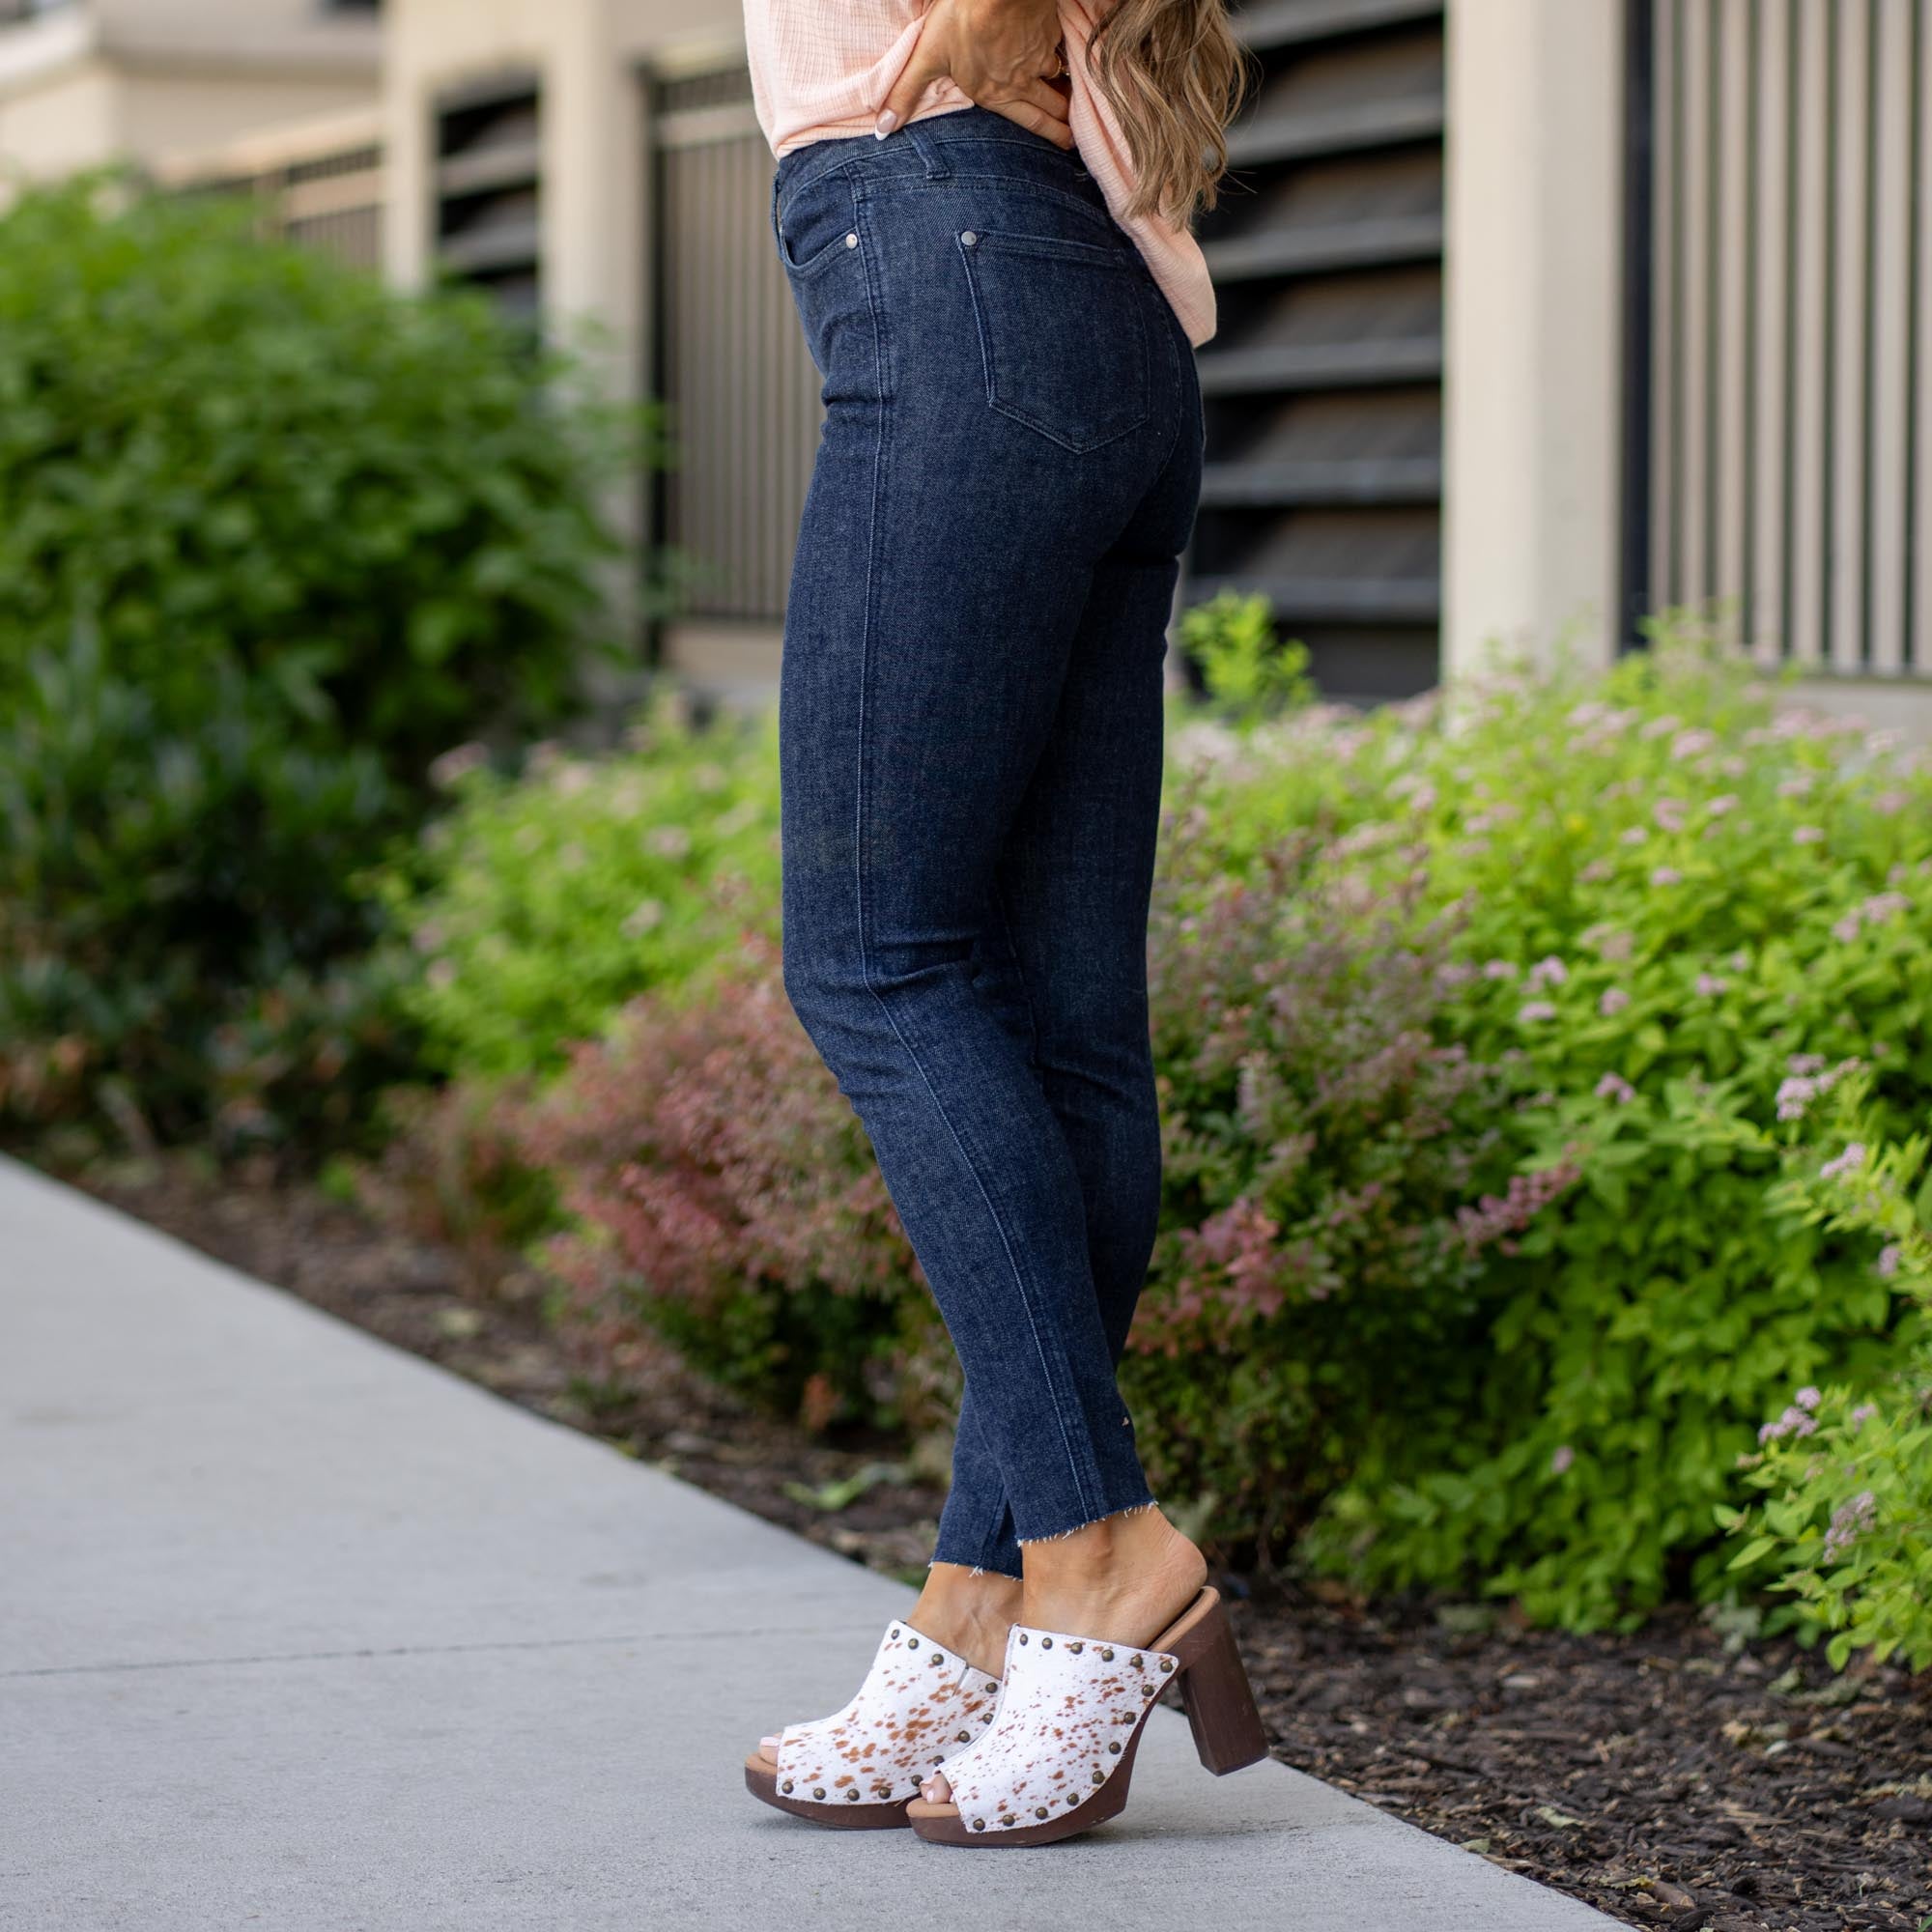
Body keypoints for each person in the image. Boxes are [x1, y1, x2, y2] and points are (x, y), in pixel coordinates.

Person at [740, 0, 1262, 1846]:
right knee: (1059, 1025)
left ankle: (1101, 1551)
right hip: (1094, 306)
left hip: (948, 255)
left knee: (872, 961)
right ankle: (987, 1598)